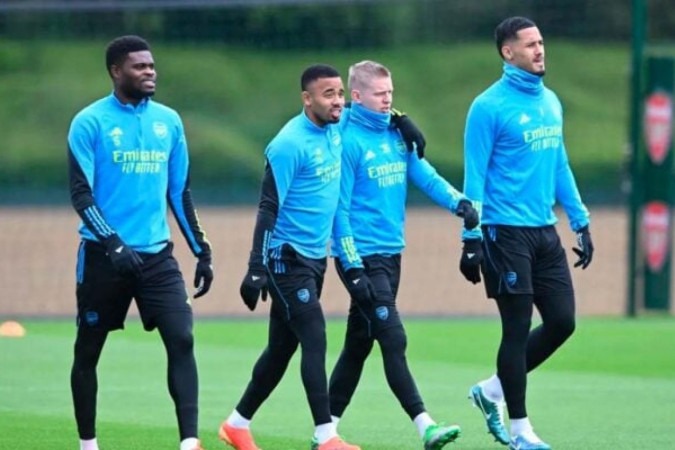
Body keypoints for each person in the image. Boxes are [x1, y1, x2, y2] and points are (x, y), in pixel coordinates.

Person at [68, 35, 213, 450]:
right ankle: (88, 444)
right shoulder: (90, 123)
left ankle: (189, 442)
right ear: (116, 71)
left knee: (182, 338)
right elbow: (82, 194)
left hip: (156, 258)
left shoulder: (169, 121)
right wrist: (112, 243)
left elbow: (179, 192)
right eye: (139, 66)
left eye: (151, 65)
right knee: (88, 351)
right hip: (103, 257)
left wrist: (201, 250)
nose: (150, 72)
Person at [328, 60, 481, 450]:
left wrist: (458, 203)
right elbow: (339, 212)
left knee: (358, 345)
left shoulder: (396, 134)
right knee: (393, 339)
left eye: (391, 94)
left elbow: (424, 174)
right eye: (380, 95)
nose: (387, 100)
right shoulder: (346, 141)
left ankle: (324, 432)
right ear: (357, 97)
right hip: (363, 258)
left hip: (392, 256)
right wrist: (352, 265)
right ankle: (425, 425)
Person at [459, 17, 594, 450]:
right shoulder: (487, 107)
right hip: (503, 233)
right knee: (516, 329)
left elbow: (560, 165)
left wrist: (580, 220)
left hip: (544, 232)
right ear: (507, 52)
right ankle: (520, 431)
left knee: (562, 322)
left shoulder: (551, 102)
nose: (540, 51)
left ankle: (492, 391)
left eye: (541, 43)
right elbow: (474, 176)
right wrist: (471, 237)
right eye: (530, 45)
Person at [218, 64, 361, 450]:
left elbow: (376, 110)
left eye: (340, 93)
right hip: (285, 259)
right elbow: (267, 207)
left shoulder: (337, 125)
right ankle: (325, 435)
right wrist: (254, 268)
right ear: (306, 98)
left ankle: (236, 424)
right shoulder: (288, 144)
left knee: (281, 349)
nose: (338, 101)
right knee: (315, 337)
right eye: (328, 94)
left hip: (315, 259)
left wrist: (404, 121)